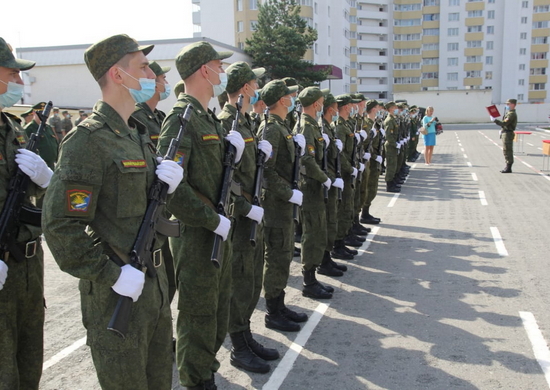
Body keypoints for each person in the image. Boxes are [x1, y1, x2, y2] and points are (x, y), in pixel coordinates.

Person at [42, 34, 183, 390]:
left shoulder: (134, 134)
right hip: (118, 292)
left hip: (154, 286)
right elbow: (60, 227)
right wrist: (111, 274)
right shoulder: (88, 140)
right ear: (119, 76)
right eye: (144, 67)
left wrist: (165, 183)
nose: (152, 73)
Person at [157, 41, 245, 390]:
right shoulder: (181, 119)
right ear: (203, 71)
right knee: (198, 315)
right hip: (197, 237)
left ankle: (206, 369)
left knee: (218, 310)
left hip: (218, 230)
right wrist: (212, 220)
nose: (223, 72)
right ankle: (197, 380)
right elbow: (171, 189)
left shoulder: (208, 117)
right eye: (218, 66)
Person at [217, 61, 278, 374]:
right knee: (240, 283)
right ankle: (238, 346)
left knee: (251, 281)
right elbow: (224, 182)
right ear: (243, 88)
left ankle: (245, 334)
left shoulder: (246, 121)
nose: (258, 89)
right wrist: (244, 208)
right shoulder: (228, 122)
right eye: (254, 84)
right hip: (241, 221)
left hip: (253, 215)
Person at [0, 36, 52, 390]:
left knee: (30, 363)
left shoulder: (12, 128)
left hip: (28, 267)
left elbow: (33, 194)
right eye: (11, 74)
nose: (19, 82)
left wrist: (46, 178)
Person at [259, 79, 310, 332]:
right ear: (282, 100)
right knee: (277, 257)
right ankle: (273, 311)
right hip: (276, 207)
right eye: (291, 96)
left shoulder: (282, 126)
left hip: (284, 205)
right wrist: (288, 193)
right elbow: (266, 172)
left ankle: (280, 305)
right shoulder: (270, 129)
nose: (293, 99)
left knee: (284, 254)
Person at [130, 61, 177, 308]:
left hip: (162, 211)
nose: (165, 83)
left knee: (168, 279)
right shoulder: (135, 118)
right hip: (144, 211)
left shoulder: (159, 117)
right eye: (161, 78)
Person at [296, 86, 340, 298]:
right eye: (322, 101)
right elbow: (306, 160)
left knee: (318, 231)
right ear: (315, 104)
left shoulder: (313, 125)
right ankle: (308, 281)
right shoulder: (306, 126)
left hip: (316, 187)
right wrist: (325, 178)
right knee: (311, 234)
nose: (324, 105)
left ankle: (314, 275)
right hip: (311, 188)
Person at [24, 102, 59, 170]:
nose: (44, 115)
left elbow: (54, 145)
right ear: (34, 113)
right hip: (37, 168)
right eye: (41, 113)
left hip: (51, 166)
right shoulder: (28, 129)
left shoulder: (48, 128)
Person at [492, 99, 517, 173]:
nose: (507, 105)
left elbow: (504, 123)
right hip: (506, 133)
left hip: (508, 134)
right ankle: (507, 166)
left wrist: (495, 120)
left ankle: (508, 167)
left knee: (508, 150)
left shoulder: (511, 114)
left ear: (513, 104)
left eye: (508, 104)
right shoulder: (509, 113)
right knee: (506, 150)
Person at [384, 101, 401, 193]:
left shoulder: (393, 119)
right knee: (390, 166)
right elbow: (388, 136)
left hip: (393, 145)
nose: (396, 110)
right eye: (395, 108)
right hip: (390, 146)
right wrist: (395, 144)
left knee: (393, 165)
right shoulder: (389, 120)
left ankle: (392, 181)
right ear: (390, 109)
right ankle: (389, 185)